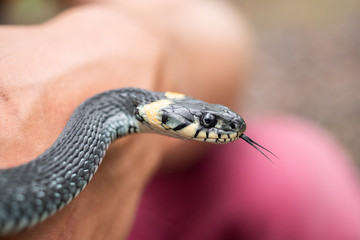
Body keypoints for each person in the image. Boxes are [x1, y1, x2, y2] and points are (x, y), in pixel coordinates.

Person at [0, 1, 359, 239]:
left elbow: (212, 26)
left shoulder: (124, 107)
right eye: (207, 122)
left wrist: (135, 50)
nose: (219, 129)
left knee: (293, 168)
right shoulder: (110, 115)